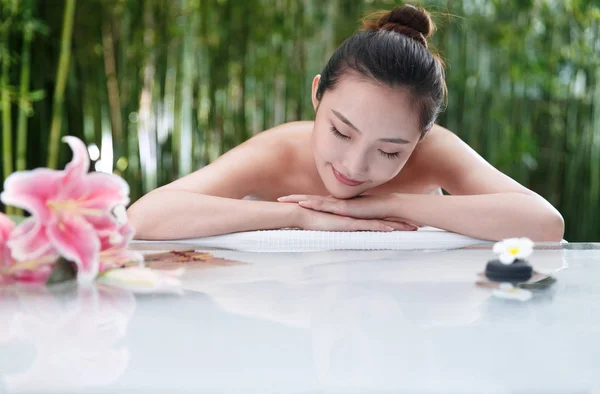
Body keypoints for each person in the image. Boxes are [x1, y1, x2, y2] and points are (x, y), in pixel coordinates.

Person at [127, 4, 564, 242]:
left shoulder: (436, 153)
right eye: (340, 130)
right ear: (317, 93)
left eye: (391, 150)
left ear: (420, 138)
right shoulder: (280, 151)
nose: (354, 167)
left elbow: (544, 224)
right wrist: (300, 218)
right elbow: (144, 219)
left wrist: (390, 203)